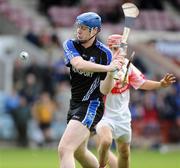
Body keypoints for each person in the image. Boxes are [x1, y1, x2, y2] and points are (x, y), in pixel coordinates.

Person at [96, 34, 176, 168]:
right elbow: (104, 89)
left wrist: (160, 84)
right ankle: (101, 165)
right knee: (105, 141)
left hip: (122, 117)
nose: (116, 52)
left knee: (124, 152)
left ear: (125, 50)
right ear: (107, 49)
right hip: (104, 116)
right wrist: (112, 72)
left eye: (119, 49)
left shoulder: (128, 66)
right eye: (113, 49)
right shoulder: (102, 66)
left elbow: (142, 83)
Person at [58, 12, 124, 168]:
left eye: (84, 28)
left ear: (94, 31)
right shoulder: (70, 44)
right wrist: (108, 67)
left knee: (65, 149)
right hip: (75, 103)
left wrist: (111, 73)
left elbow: (105, 90)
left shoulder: (105, 54)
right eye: (78, 26)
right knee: (79, 152)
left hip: (91, 105)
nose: (79, 30)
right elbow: (78, 64)